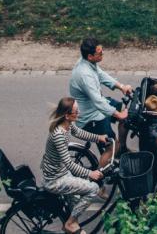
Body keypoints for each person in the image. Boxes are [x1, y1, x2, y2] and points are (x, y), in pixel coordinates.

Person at [41, 97, 108, 234]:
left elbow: (79, 133)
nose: (79, 113)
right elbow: (69, 163)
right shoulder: (59, 134)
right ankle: (70, 224)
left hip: (61, 171)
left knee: (76, 198)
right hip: (55, 179)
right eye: (76, 112)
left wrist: (99, 137)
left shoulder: (67, 124)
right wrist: (90, 173)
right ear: (67, 115)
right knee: (93, 188)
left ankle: (71, 223)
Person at [69, 38, 133, 169]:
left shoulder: (87, 63)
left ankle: (122, 149)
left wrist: (121, 86)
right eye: (100, 53)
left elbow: (101, 74)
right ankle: (99, 181)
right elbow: (98, 101)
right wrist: (118, 115)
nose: (103, 53)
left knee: (126, 114)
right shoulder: (84, 75)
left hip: (96, 107)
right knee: (112, 145)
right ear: (90, 56)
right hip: (91, 117)